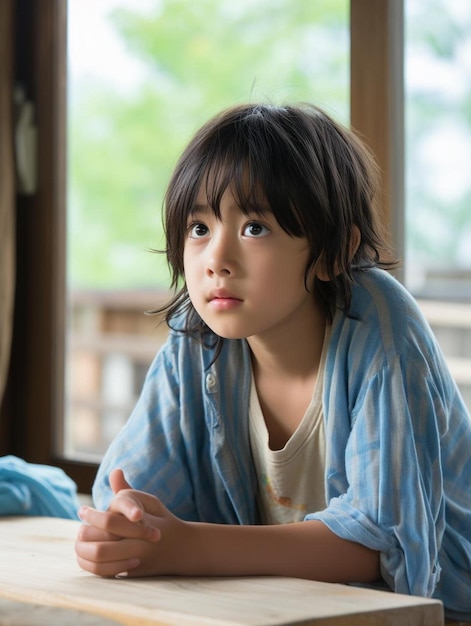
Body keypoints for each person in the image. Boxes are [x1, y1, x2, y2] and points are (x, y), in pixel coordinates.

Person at [75, 103, 471, 621]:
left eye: (255, 228)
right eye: (198, 227)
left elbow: (385, 542)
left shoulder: (380, 327)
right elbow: (128, 489)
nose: (216, 259)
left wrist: (185, 546)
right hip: (291, 609)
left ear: (334, 252)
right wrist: (123, 527)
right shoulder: (199, 339)